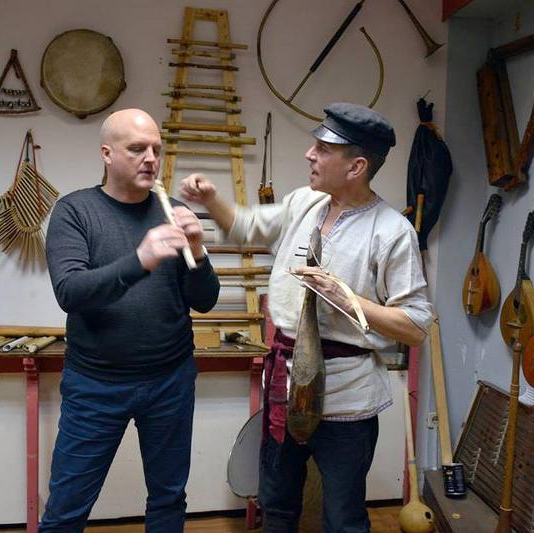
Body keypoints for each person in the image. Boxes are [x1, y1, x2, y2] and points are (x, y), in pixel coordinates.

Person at [180, 102, 433, 532]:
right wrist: (211, 200)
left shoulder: (392, 231)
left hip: (347, 400)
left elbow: (416, 326)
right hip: (284, 384)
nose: (309, 154)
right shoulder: (304, 202)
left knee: (343, 518)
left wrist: (348, 299)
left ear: (356, 167)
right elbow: (245, 226)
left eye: (323, 149)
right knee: (276, 506)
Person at [41, 108, 220, 532]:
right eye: (137, 149)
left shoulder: (172, 210)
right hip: (95, 385)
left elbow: (206, 301)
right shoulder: (75, 211)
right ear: (107, 153)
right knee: (67, 508)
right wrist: (140, 260)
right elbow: (70, 292)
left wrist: (197, 251)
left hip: (170, 380)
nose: (151, 159)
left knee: (169, 498)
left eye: (156, 149)